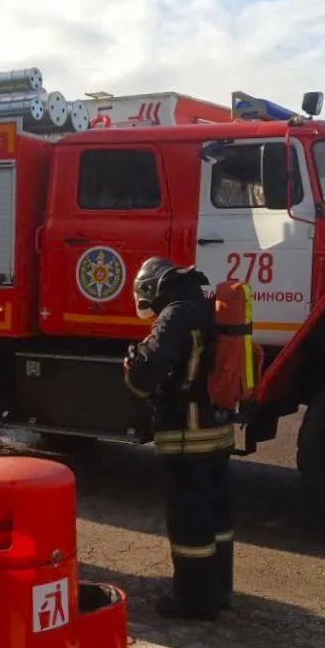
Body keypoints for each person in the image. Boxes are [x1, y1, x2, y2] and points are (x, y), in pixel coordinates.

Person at [122, 257, 235, 621]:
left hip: (187, 434)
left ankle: (194, 601)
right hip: (217, 430)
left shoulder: (175, 314)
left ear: (155, 288)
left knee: (189, 520)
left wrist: (132, 364)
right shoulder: (204, 303)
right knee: (217, 516)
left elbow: (144, 376)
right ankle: (219, 591)